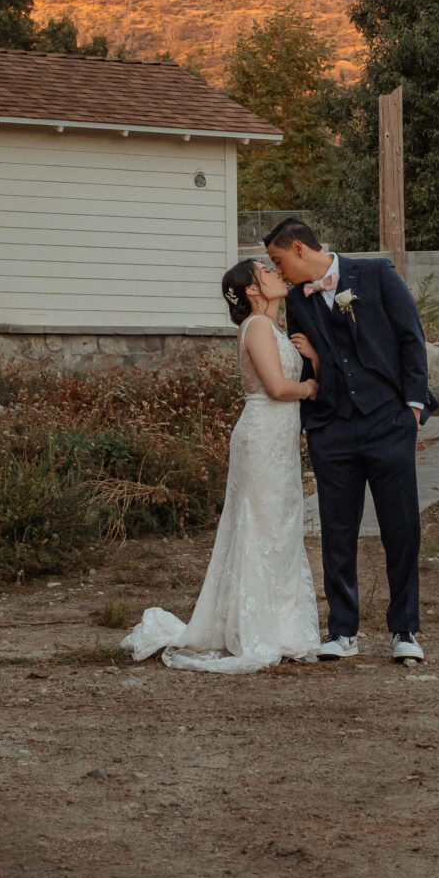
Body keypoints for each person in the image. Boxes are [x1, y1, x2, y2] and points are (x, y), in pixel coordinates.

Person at [119, 255, 326, 672]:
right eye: (266, 271)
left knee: (280, 527)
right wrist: (311, 386)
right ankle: (258, 629)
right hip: (262, 435)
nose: (276, 273)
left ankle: (282, 626)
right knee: (260, 526)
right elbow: (276, 387)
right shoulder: (259, 327)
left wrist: (314, 359)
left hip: (278, 439)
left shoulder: (273, 328)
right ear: (252, 289)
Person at [266, 216, 431, 663]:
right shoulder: (299, 299)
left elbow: (411, 340)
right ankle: (342, 631)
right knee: (337, 531)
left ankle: (404, 630)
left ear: (299, 248)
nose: (279, 273)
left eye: (279, 262)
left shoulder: (376, 274)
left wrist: (413, 409)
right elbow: (311, 359)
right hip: (332, 428)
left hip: (388, 421)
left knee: (401, 529)